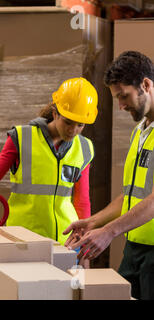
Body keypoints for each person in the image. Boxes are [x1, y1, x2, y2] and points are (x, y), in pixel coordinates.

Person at [0, 77, 98, 252]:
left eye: (80, 125)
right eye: (68, 122)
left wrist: (84, 244)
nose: (73, 130)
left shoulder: (84, 148)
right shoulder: (21, 138)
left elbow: (81, 200)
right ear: (55, 113)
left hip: (65, 243)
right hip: (23, 239)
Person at [64, 51, 154, 300]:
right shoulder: (141, 132)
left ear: (145, 85)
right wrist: (94, 222)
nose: (121, 106)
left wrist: (110, 232)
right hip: (135, 249)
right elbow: (131, 197)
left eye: (123, 96)